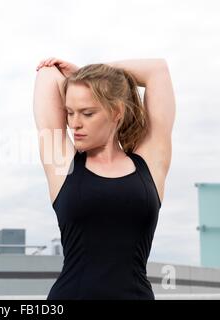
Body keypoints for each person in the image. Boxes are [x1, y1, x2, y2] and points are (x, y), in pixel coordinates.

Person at [33, 57, 176, 300]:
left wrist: (95, 75)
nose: (74, 124)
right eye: (69, 112)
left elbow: (157, 70)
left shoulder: (149, 165)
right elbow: (47, 74)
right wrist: (87, 78)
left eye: (87, 113)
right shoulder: (63, 165)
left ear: (116, 112)